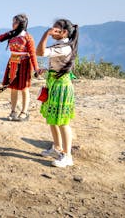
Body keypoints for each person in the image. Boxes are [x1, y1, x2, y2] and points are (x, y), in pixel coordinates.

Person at [36, 18, 79, 168]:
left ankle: (68, 156)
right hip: (53, 84)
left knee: (62, 122)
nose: (53, 30)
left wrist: (46, 34)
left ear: (64, 32)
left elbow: (39, 51)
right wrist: (43, 67)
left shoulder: (65, 47)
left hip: (61, 87)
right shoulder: (60, 45)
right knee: (52, 118)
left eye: (56, 29)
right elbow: (44, 57)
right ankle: (57, 148)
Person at [0, 13, 38, 121]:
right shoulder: (11, 34)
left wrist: (36, 68)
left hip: (24, 64)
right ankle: (13, 111)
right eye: (13, 21)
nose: (13, 24)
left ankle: (24, 112)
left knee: (24, 88)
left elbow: (33, 53)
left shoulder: (27, 37)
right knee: (13, 88)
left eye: (15, 22)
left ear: (21, 23)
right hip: (12, 62)